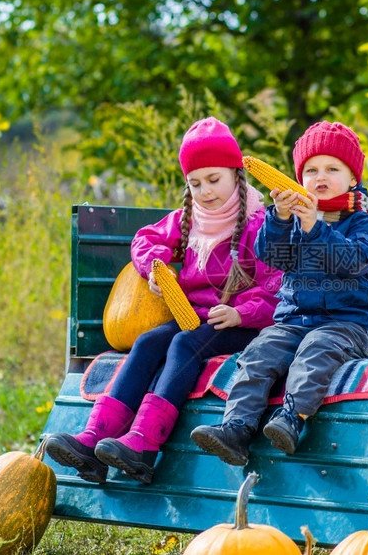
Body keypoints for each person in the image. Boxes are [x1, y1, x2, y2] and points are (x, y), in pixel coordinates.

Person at [46, 117, 281, 484]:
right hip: (195, 317)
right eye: (195, 183)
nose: (206, 191)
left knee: (184, 344)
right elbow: (143, 240)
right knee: (148, 342)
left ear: (236, 175)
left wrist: (239, 312)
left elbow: (275, 288)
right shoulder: (188, 220)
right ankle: (93, 441)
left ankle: (144, 445)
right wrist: (155, 269)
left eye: (214, 180)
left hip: (240, 324)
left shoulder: (258, 224)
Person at [190, 121, 368, 466]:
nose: (320, 177)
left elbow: (355, 261)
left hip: (345, 323)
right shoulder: (291, 218)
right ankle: (236, 429)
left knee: (315, 351)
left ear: (353, 179)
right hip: (293, 319)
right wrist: (278, 217)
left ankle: (292, 419)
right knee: (258, 353)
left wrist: (316, 228)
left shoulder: (359, 222)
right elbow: (271, 256)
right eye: (311, 170)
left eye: (332, 169)